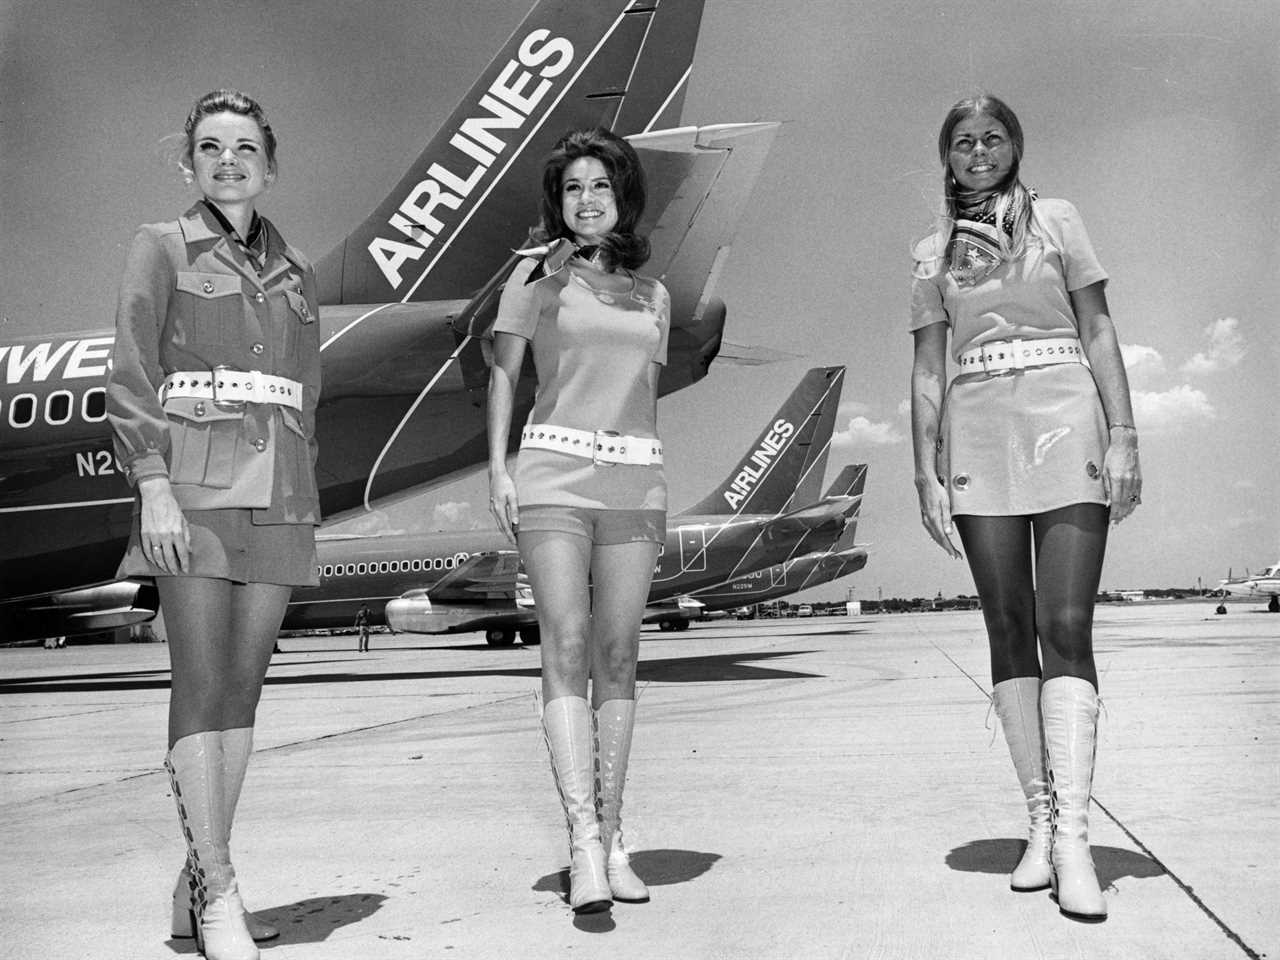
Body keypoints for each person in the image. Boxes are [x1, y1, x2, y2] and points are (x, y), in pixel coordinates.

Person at [909, 95, 1141, 922]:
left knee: (1064, 623)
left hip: (1063, 413)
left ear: (1015, 146)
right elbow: (929, 369)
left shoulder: (1059, 221)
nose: (980, 151)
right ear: (948, 155)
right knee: (1006, 623)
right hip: (977, 429)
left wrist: (1123, 435)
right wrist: (925, 473)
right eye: (964, 141)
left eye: (993, 137)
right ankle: (1039, 823)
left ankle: (1076, 837)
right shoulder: (931, 250)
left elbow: (1100, 328)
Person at [107, 89, 321, 960]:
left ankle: (192, 883)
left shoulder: (296, 268)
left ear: (268, 163)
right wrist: (151, 483)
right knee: (198, 686)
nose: (227, 159)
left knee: (243, 689)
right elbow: (131, 369)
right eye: (209, 147)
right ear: (188, 164)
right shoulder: (159, 247)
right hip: (192, 488)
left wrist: (308, 491)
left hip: (281, 493)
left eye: (243, 147)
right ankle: (222, 885)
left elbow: (308, 391)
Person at [487, 128, 669, 915]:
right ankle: (583, 843)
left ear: (622, 197)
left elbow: (640, 396)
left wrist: (651, 475)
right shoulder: (534, 275)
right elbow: (504, 371)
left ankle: (616, 834)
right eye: (572, 188)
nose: (586, 200)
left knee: (620, 653)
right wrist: (500, 468)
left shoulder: (654, 296)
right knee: (565, 642)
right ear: (556, 203)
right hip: (553, 477)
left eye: (600, 186)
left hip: (634, 482)